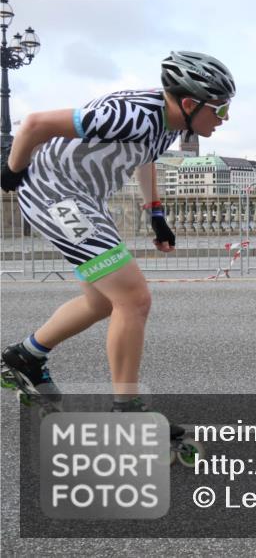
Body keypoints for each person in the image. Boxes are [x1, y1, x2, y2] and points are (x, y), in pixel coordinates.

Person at [0, 51, 235, 430]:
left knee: (102, 300)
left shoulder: (171, 122)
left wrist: (156, 213)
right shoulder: (129, 115)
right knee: (133, 297)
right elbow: (34, 123)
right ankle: (127, 410)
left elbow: (146, 156)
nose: (224, 119)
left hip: (84, 199)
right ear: (191, 104)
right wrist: (12, 172)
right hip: (54, 196)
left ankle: (27, 355)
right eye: (220, 110)